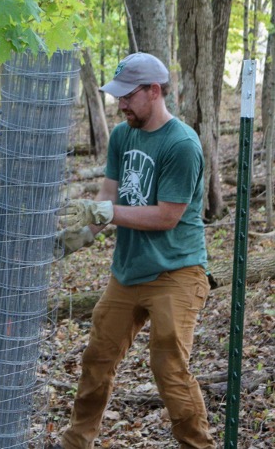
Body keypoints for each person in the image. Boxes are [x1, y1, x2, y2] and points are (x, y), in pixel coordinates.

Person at [54, 53, 213, 449]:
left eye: (127, 96)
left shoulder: (181, 144)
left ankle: (200, 445)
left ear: (154, 92)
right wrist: (84, 233)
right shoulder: (124, 134)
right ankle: (75, 442)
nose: (121, 104)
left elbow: (166, 216)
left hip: (177, 272)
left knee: (169, 368)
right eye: (118, 96)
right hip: (127, 272)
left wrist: (109, 213)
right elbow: (108, 195)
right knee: (97, 359)